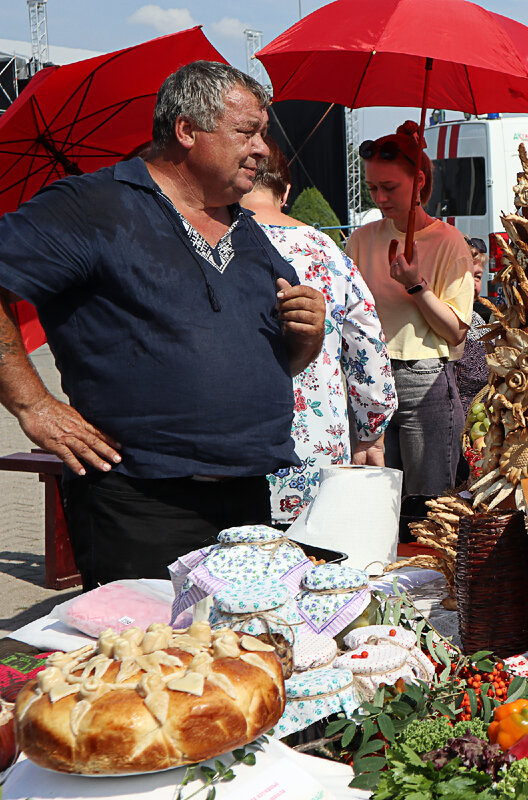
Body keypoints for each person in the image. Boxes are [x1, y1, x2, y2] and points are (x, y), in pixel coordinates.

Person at [0, 61, 326, 587]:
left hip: (245, 498)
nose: (264, 150)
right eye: (247, 132)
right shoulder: (92, 206)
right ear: (187, 131)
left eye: (263, 134)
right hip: (139, 501)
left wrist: (307, 337)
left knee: (238, 656)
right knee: (147, 662)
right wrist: (32, 404)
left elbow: (279, 359)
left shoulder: (247, 228)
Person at [242, 138, 397, 523]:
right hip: (315, 452)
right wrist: (371, 429)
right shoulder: (324, 250)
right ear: (286, 191)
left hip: (232, 456)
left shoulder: (216, 244)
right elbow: (366, 345)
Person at [347, 122, 474, 498]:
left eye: (389, 187)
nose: (379, 198)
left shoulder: (450, 241)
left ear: (419, 181)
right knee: (375, 501)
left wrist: (417, 285)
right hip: (369, 376)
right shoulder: (361, 238)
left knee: (426, 504)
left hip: (426, 379)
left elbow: (456, 332)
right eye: (372, 188)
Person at [455, 237, 490, 409]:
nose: (473, 284)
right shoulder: (442, 319)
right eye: (466, 275)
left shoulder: (476, 318)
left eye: (477, 277)